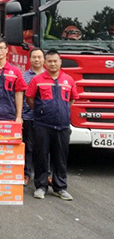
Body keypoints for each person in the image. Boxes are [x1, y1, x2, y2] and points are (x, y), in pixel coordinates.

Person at [26, 49, 78, 201]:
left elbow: (72, 100)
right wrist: (42, 111)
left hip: (62, 125)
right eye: (49, 61)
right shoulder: (37, 79)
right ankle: (41, 186)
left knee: (60, 157)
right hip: (42, 124)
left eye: (55, 61)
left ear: (60, 62)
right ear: (45, 63)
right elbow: (29, 99)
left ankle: (60, 187)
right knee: (41, 156)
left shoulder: (68, 80)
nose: (53, 63)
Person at [22, 48, 45, 186]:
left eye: (39, 57)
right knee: (28, 147)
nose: (37, 60)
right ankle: (26, 174)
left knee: (44, 147)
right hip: (28, 116)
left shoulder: (50, 76)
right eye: (34, 57)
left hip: (45, 119)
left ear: (44, 60)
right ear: (30, 59)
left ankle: (45, 174)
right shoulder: (24, 77)